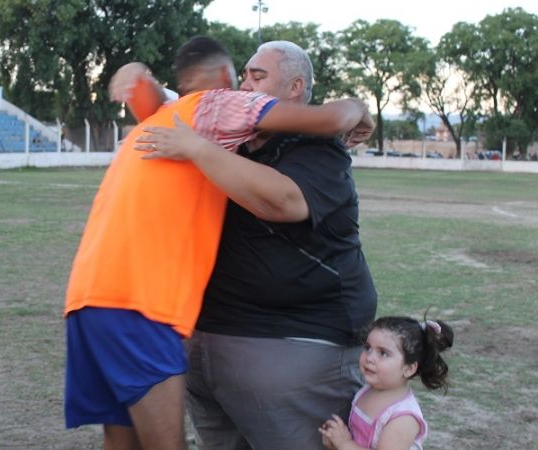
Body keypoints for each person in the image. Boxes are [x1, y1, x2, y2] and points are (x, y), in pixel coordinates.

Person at [64, 36, 371, 450]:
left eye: (256, 76)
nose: (244, 86)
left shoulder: (199, 114)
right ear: (225, 77)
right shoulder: (213, 111)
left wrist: (140, 80)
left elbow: (285, 193)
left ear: (295, 89)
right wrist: (356, 108)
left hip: (94, 301)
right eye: (241, 75)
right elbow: (331, 121)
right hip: (142, 309)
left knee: (125, 442)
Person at [319, 316, 453, 450]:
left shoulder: (403, 418)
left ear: (408, 369)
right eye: (368, 348)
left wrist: (344, 443)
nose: (370, 358)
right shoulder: (367, 390)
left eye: (383, 353)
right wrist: (335, 443)